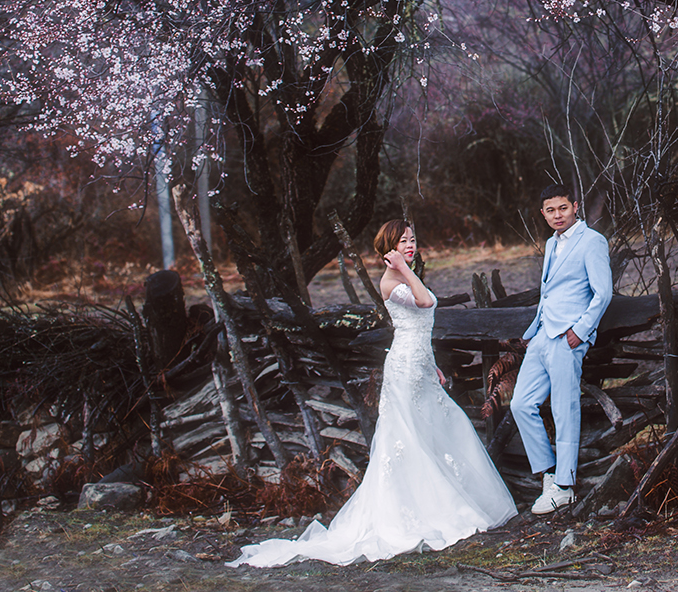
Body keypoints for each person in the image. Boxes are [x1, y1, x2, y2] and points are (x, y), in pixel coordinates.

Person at [229, 220, 516, 567]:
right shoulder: (391, 280)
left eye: (412, 239)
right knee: (410, 436)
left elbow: (418, 329)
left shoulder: (403, 275)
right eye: (402, 241)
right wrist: (403, 269)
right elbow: (425, 303)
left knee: (436, 429)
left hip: (418, 363)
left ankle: (444, 503)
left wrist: (432, 367)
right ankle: (418, 513)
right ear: (388, 249)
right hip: (405, 369)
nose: (410, 245)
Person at [509, 184, 612, 514]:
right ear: (543, 214)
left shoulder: (592, 241)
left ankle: (565, 486)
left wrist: (580, 332)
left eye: (563, 208)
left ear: (575, 206)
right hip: (542, 336)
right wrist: (535, 331)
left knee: (564, 409)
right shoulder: (552, 244)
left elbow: (603, 293)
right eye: (551, 210)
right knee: (521, 403)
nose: (557, 215)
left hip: (568, 338)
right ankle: (550, 475)